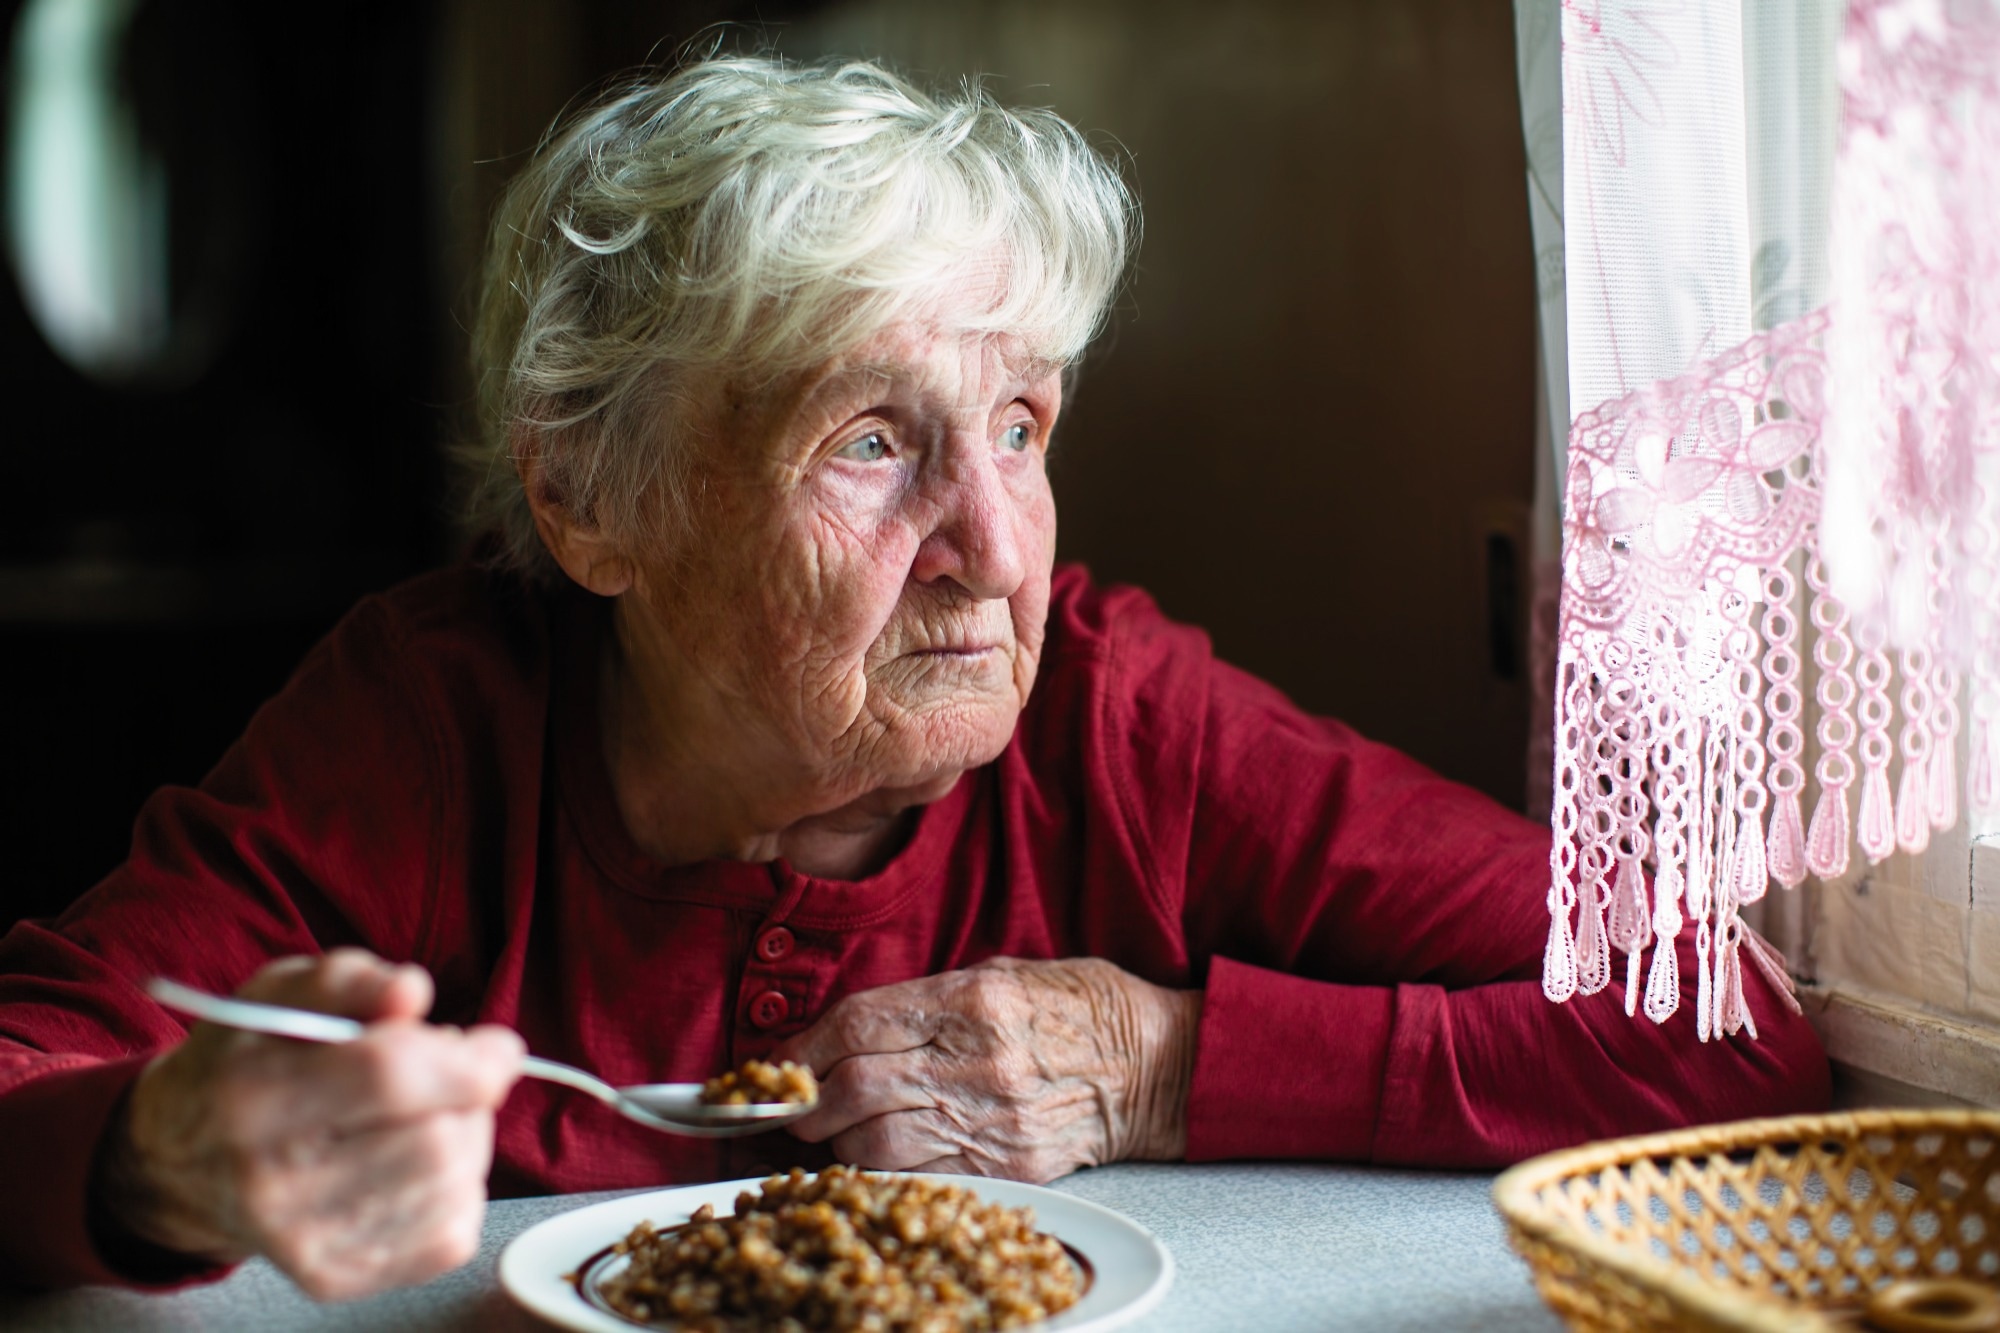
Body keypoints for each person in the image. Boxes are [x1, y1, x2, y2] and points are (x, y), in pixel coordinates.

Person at [0, 53, 1829, 1301]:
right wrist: (164, 1162)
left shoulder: (1119, 721)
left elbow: (1721, 1020)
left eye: (1020, 425)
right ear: (592, 498)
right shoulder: (431, 728)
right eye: (872, 440)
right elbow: (33, 1069)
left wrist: (1171, 1066)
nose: (1000, 543)